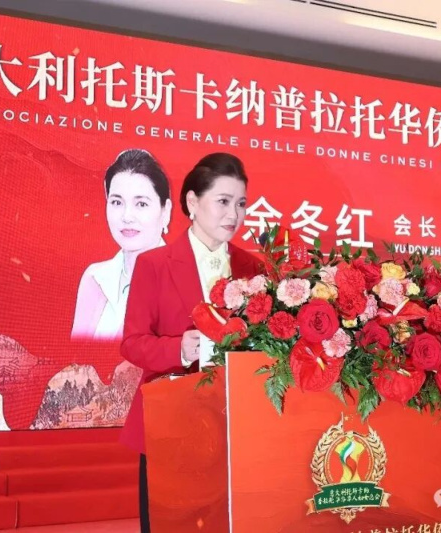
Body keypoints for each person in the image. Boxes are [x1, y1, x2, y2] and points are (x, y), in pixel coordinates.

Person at [120, 152, 263, 532]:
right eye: (223, 201)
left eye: (241, 203)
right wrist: (179, 349)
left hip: (237, 424)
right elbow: (132, 343)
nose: (234, 214)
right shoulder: (154, 264)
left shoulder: (254, 269)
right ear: (192, 202)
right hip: (173, 421)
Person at [71, 149, 172, 341]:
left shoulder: (186, 281)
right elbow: (75, 353)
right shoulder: (95, 278)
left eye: (141, 204)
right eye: (117, 202)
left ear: (165, 211)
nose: (126, 216)